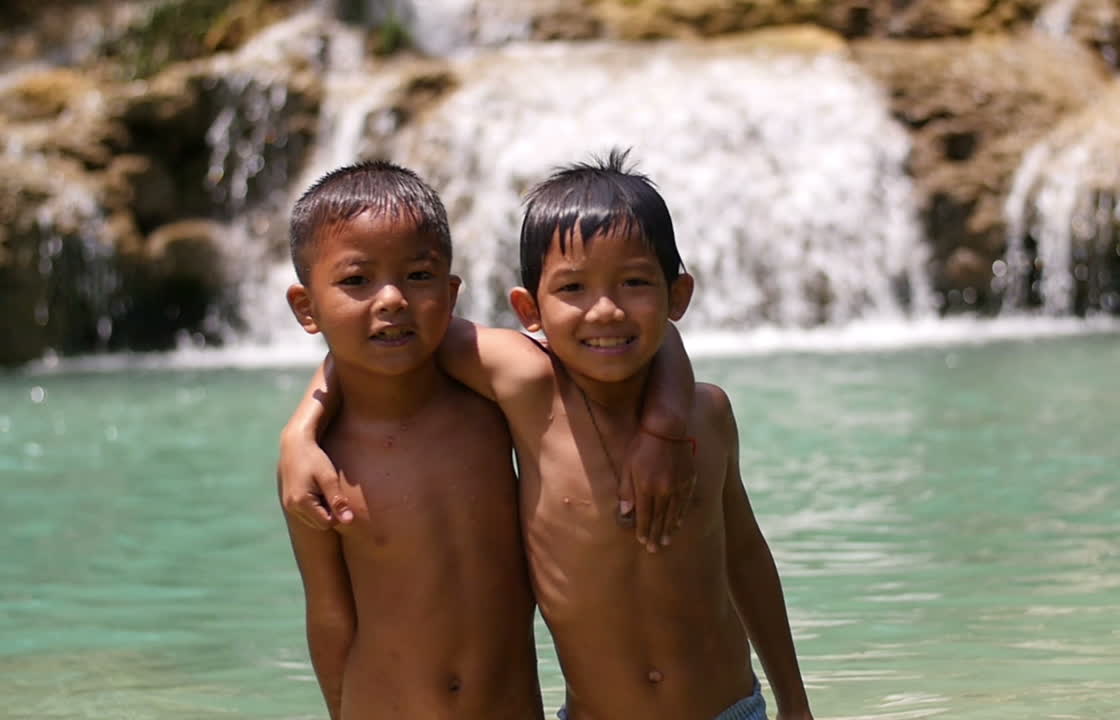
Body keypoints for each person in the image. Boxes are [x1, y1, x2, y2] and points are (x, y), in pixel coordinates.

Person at [282, 150, 812, 719]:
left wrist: (796, 705)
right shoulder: (529, 390)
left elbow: (748, 560)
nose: (605, 311)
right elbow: (387, 333)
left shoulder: (705, 416)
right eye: (573, 289)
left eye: (634, 283)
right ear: (529, 308)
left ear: (676, 296)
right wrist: (303, 429)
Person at [278, 161, 544, 718]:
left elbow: (616, 340)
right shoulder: (318, 463)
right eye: (356, 280)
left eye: (418, 276)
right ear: (307, 308)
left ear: (450, 294)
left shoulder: (493, 403)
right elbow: (329, 616)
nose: (392, 298)